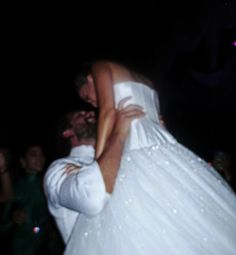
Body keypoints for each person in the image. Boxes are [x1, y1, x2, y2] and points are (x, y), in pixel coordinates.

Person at [64, 59, 236, 255]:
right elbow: (156, 122)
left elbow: (108, 112)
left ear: (90, 79)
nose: (92, 103)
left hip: (133, 151)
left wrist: (97, 163)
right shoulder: (148, 82)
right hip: (166, 150)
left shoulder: (99, 66)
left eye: (87, 97)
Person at [44, 105, 145, 248]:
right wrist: (119, 134)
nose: (90, 113)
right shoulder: (58, 168)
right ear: (67, 132)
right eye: (80, 114)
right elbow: (93, 198)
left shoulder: (123, 157)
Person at [0, 143, 59, 255]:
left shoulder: (51, 183)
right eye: (34, 154)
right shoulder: (16, 187)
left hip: (46, 246)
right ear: (23, 162)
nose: (40, 158)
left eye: (41, 154)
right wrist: (13, 217)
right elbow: (4, 224)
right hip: (21, 247)